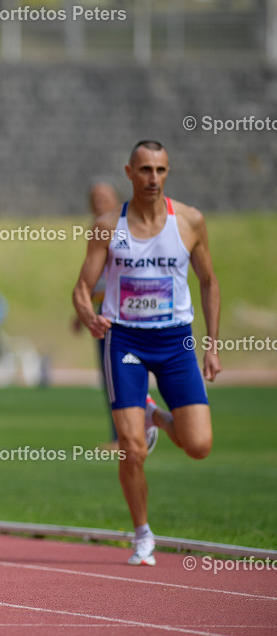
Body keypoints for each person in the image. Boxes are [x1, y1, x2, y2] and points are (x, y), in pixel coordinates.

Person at [73, 140, 220, 567]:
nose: (152, 178)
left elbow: (209, 282)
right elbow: (82, 288)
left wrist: (212, 343)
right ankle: (143, 535)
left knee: (198, 445)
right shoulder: (107, 225)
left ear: (167, 173)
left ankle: (154, 413)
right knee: (131, 448)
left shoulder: (191, 221)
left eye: (160, 170)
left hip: (176, 342)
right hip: (126, 341)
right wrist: (89, 317)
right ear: (129, 172)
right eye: (144, 170)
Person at [73, 181, 159, 453]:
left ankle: (136, 428)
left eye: (104, 197)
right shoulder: (99, 227)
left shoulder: (121, 227)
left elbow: (122, 267)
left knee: (121, 371)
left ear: (115, 199)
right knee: (111, 374)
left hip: (124, 309)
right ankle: (130, 430)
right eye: (95, 197)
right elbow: (94, 274)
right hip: (103, 309)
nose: (99, 201)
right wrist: (82, 308)